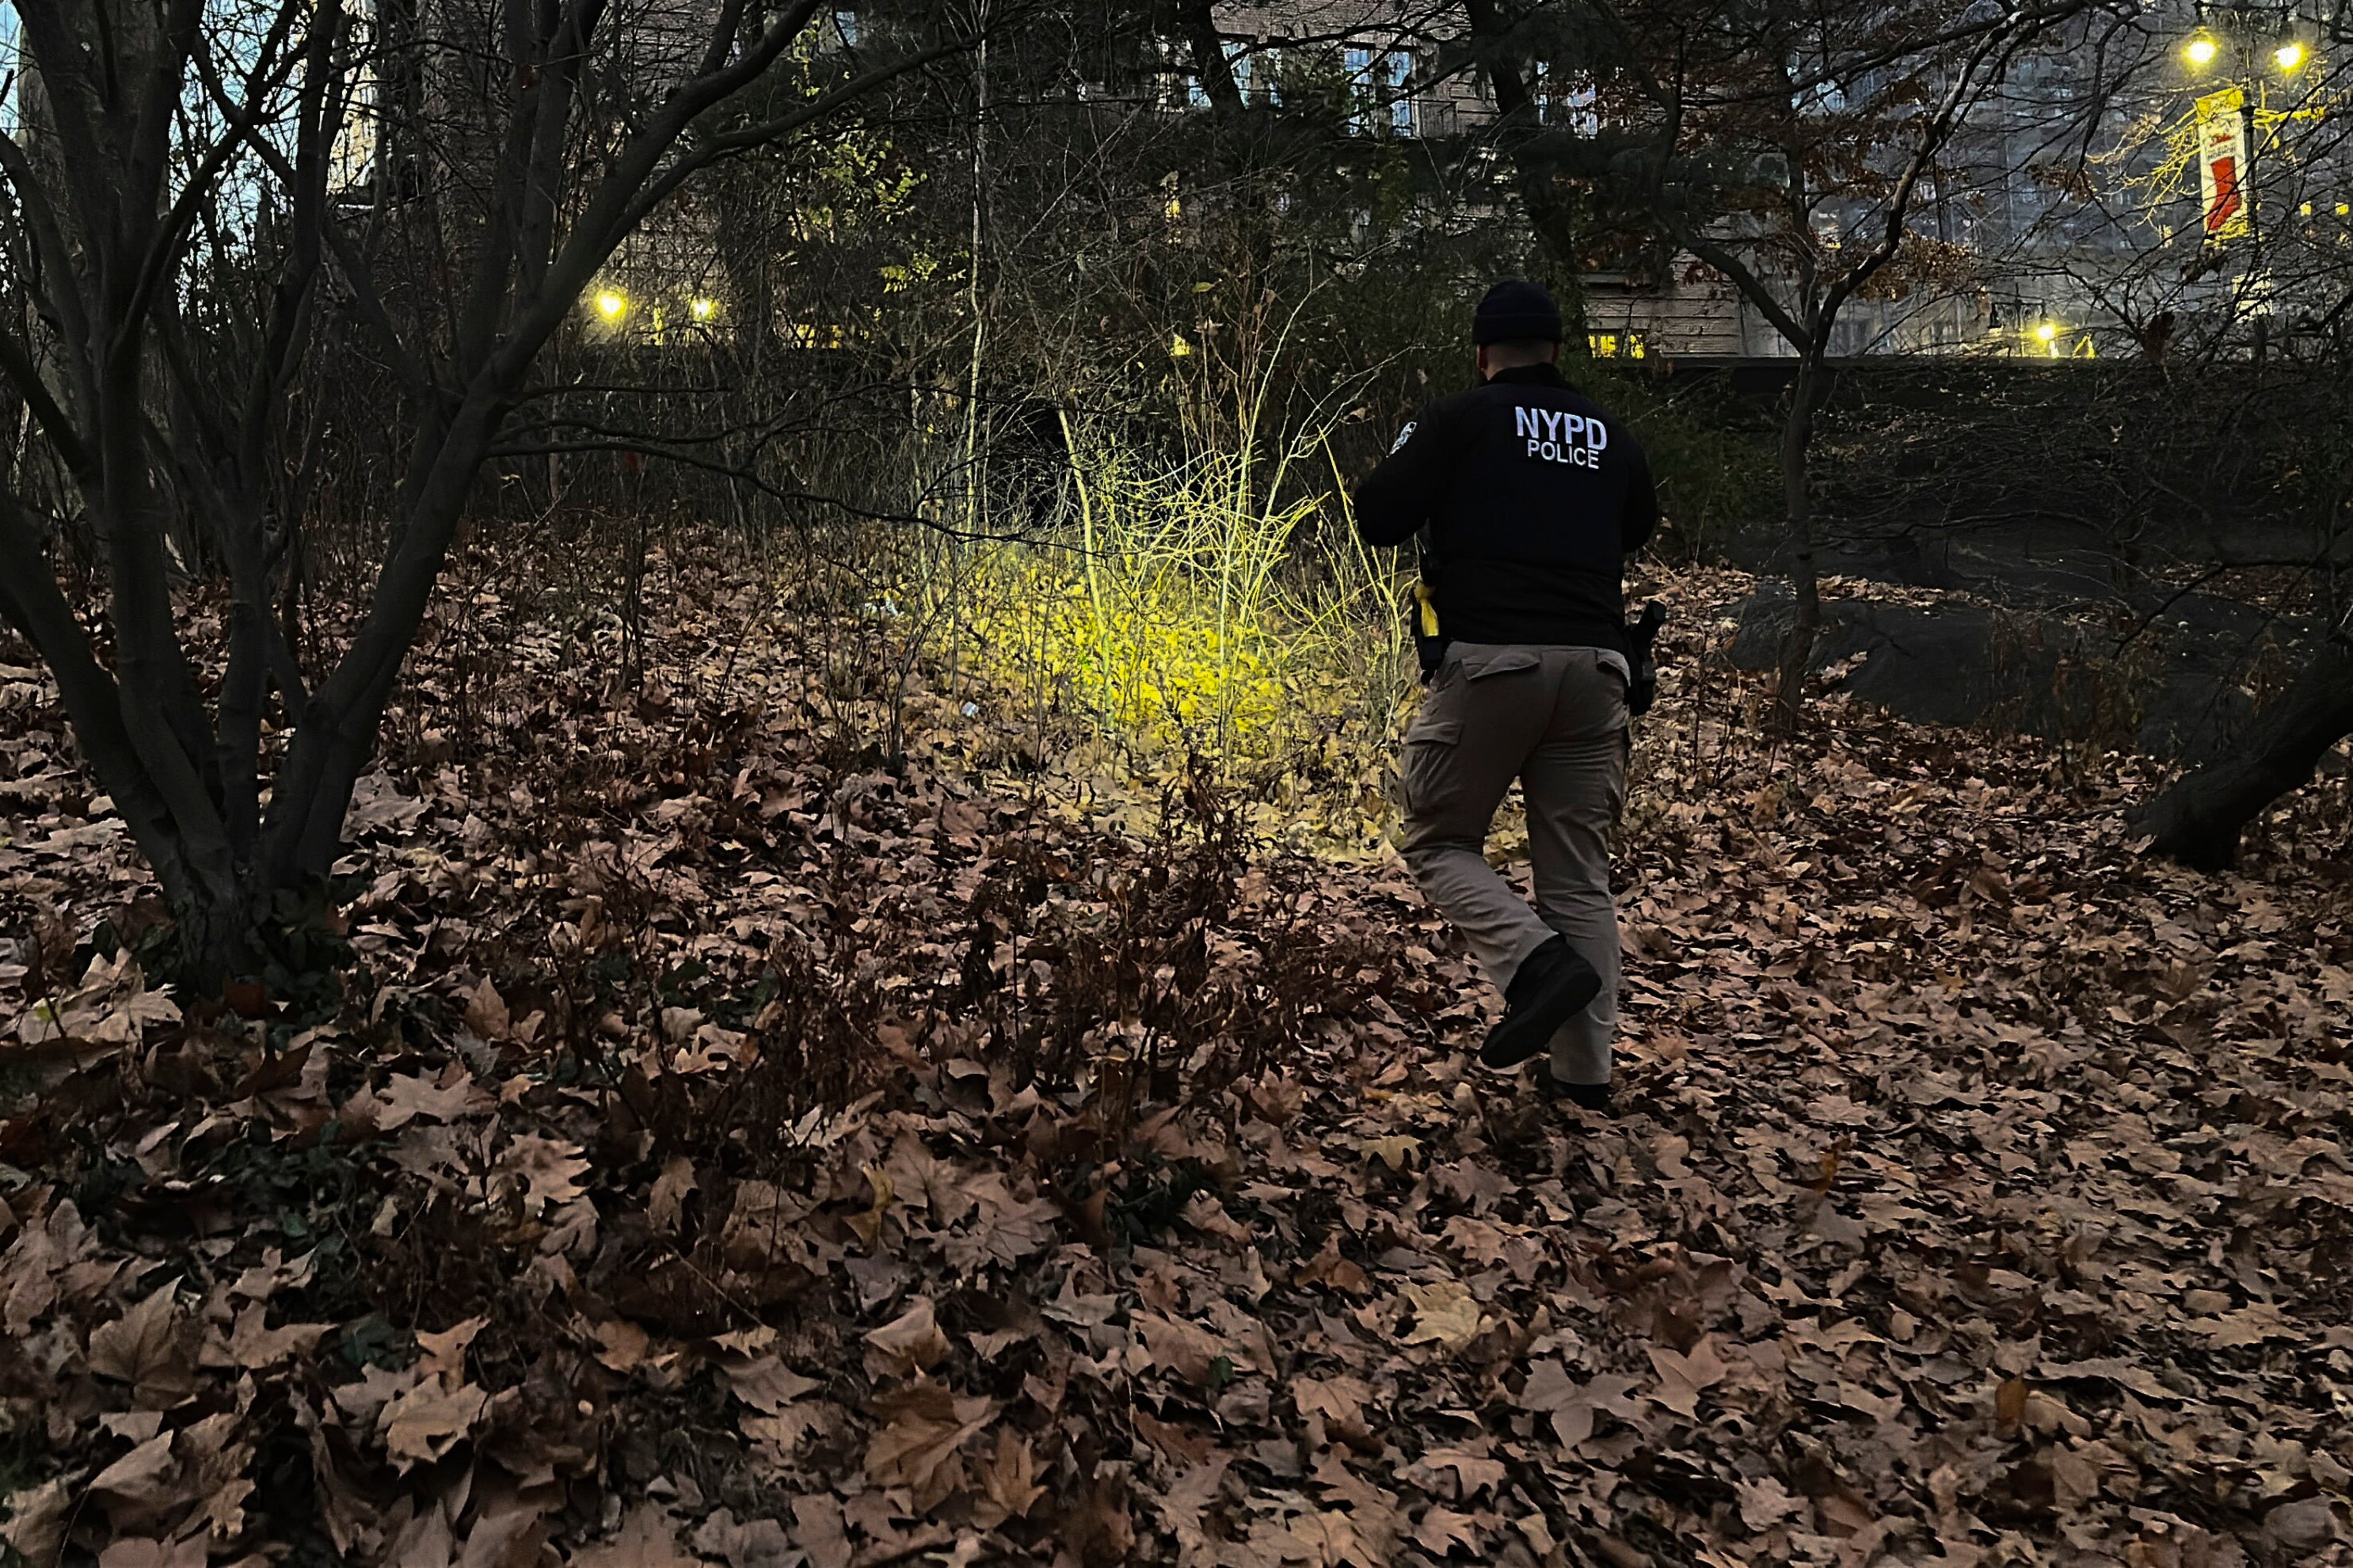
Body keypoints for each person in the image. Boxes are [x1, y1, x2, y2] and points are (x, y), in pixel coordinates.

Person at [1353, 280, 1658, 1112]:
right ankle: (1584, 1081)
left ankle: (1534, 964)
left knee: (1440, 841)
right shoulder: (1610, 435)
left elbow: (1377, 514)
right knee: (1578, 879)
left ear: (1482, 355)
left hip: (1492, 666)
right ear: (1558, 350)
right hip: (1599, 673)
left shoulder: (1459, 420)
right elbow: (1634, 527)